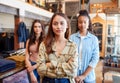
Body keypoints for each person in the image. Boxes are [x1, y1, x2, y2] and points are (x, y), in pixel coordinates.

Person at [36, 12, 78, 83]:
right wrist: (65, 68)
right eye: (55, 24)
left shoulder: (72, 46)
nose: (58, 26)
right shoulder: (44, 45)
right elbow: (40, 69)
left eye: (62, 23)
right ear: (51, 26)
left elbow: (73, 71)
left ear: (67, 25)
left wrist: (51, 64)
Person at [70, 10, 99, 83]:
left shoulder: (94, 39)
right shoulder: (71, 38)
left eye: (85, 22)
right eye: (80, 22)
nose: (82, 24)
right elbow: (68, 57)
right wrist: (75, 76)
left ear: (88, 23)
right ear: (77, 23)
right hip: (73, 77)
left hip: (89, 78)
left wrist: (83, 76)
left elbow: (95, 59)